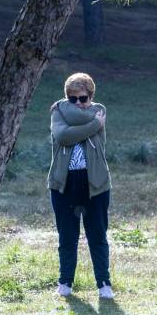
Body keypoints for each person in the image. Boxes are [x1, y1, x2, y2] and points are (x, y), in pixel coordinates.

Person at [48, 72, 113, 299]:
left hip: (95, 184)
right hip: (64, 185)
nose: (79, 103)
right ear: (67, 97)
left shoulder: (99, 109)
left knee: (97, 236)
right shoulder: (59, 110)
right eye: (73, 99)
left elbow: (70, 130)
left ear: (91, 96)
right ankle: (65, 283)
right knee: (67, 236)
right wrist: (94, 125)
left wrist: (89, 121)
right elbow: (62, 136)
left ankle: (104, 284)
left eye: (83, 98)